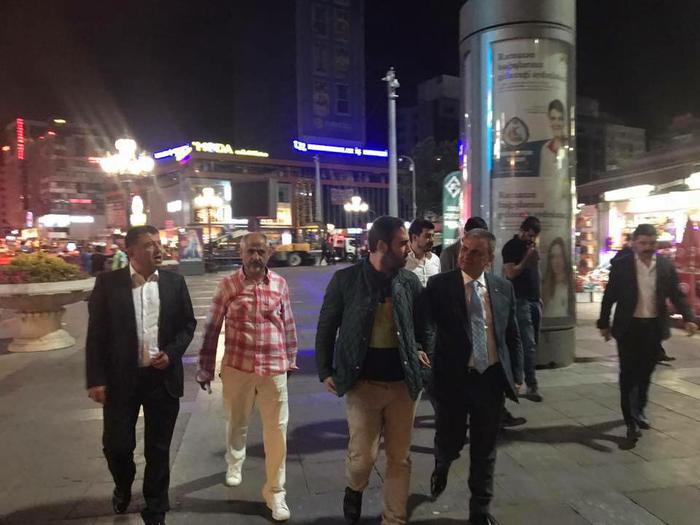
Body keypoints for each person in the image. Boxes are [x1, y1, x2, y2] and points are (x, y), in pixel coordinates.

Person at [315, 216, 429, 525]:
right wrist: (325, 369)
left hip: (403, 386)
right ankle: (354, 489)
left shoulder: (409, 282)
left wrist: (424, 354)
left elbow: (425, 325)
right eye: (402, 243)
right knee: (363, 458)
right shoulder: (346, 280)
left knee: (399, 457)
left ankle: (394, 518)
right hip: (362, 385)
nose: (408, 249)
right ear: (381, 246)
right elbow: (327, 325)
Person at [85, 225, 196, 525]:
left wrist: (172, 353)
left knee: (158, 449)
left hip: (161, 380)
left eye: (158, 243)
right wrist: (96, 379)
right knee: (117, 446)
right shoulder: (108, 284)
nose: (158, 249)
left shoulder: (174, 282)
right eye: (149, 244)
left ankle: (156, 507)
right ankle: (123, 484)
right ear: (130, 250)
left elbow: (188, 324)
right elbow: (96, 336)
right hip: (121, 381)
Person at [423, 228, 522, 525]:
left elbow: (512, 335)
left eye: (475, 252)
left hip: (490, 380)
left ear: (489, 258)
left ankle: (480, 510)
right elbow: (423, 326)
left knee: (485, 450)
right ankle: (442, 463)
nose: (465, 256)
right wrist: (424, 361)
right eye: (464, 249)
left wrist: (516, 374)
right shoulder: (440, 286)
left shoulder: (503, 289)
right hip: (453, 381)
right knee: (450, 440)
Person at [196, 232, 298, 522]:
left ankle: (275, 492)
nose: (256, 257)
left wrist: (290, 360)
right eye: (251, 251)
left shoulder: (279, 283)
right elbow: (212, 327)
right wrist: (205, 367)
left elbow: (288, 323)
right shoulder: (228, 285)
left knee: (277, 430)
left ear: (269, 254)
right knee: (237, 420)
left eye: (261, 251)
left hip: (273, 368)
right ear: (241, 254)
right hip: (237, 368)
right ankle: (235, 460)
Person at [597, 223, 698, 441]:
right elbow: (609, 296)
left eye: (652, 243)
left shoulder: (665, 266)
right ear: (634, 243)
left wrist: (689, 318)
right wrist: (603, 323)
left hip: (653, 328)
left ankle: (639, 409)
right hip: (628, 327)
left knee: (645, 373)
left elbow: (676, 294)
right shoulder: (622, 265)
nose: (647, 247)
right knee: (628, 374)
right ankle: (631, 421)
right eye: (643, 243)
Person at [502, 216, 543, 402]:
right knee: (527, 344)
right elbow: (510, 273)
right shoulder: (511, 247)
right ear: (523, 230)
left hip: (534, 300)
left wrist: (540, 296)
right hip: (520, 300)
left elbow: (534, 273)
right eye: (530, 235)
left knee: (532, 344)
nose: (532, 239)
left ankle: (522, 381)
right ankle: (528, 383)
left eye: (535, 236)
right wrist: (527, 259)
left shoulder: (531, 248)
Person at [542, 237, 573, 318]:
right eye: (553, 256)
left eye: (560, 256)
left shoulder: (569, 284)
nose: (556, 261)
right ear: (550, 260)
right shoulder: (545, 284)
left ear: (565, 258)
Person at [405, 218, 441, 286]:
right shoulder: (404, 261)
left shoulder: (435, 260)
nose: (432, 240)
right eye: (428, 236)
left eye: (433, 236)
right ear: (414, 237)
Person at [538, 99, 567, 178]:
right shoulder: (545, 149)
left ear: (564, 121)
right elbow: (542, 178)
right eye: (553, 118)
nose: (556, 123)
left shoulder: (569, 147)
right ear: (549, 120)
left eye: (560, 119)